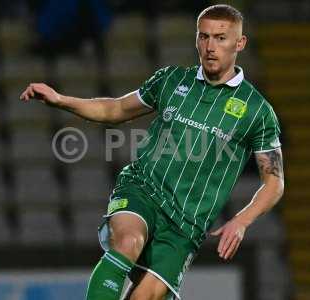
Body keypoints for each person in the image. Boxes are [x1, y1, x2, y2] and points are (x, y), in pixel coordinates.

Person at [20, 4, 284, 300]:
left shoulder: (258, 111)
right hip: (144, 189)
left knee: (146, 296)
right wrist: (61, 100)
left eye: (220, 38)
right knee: (129, 241)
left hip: (186, 225)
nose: (210, 47)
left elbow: (273, 181)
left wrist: (241, 220)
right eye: (204, 37)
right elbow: (116, 108)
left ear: (240, 43)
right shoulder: (172, 80)